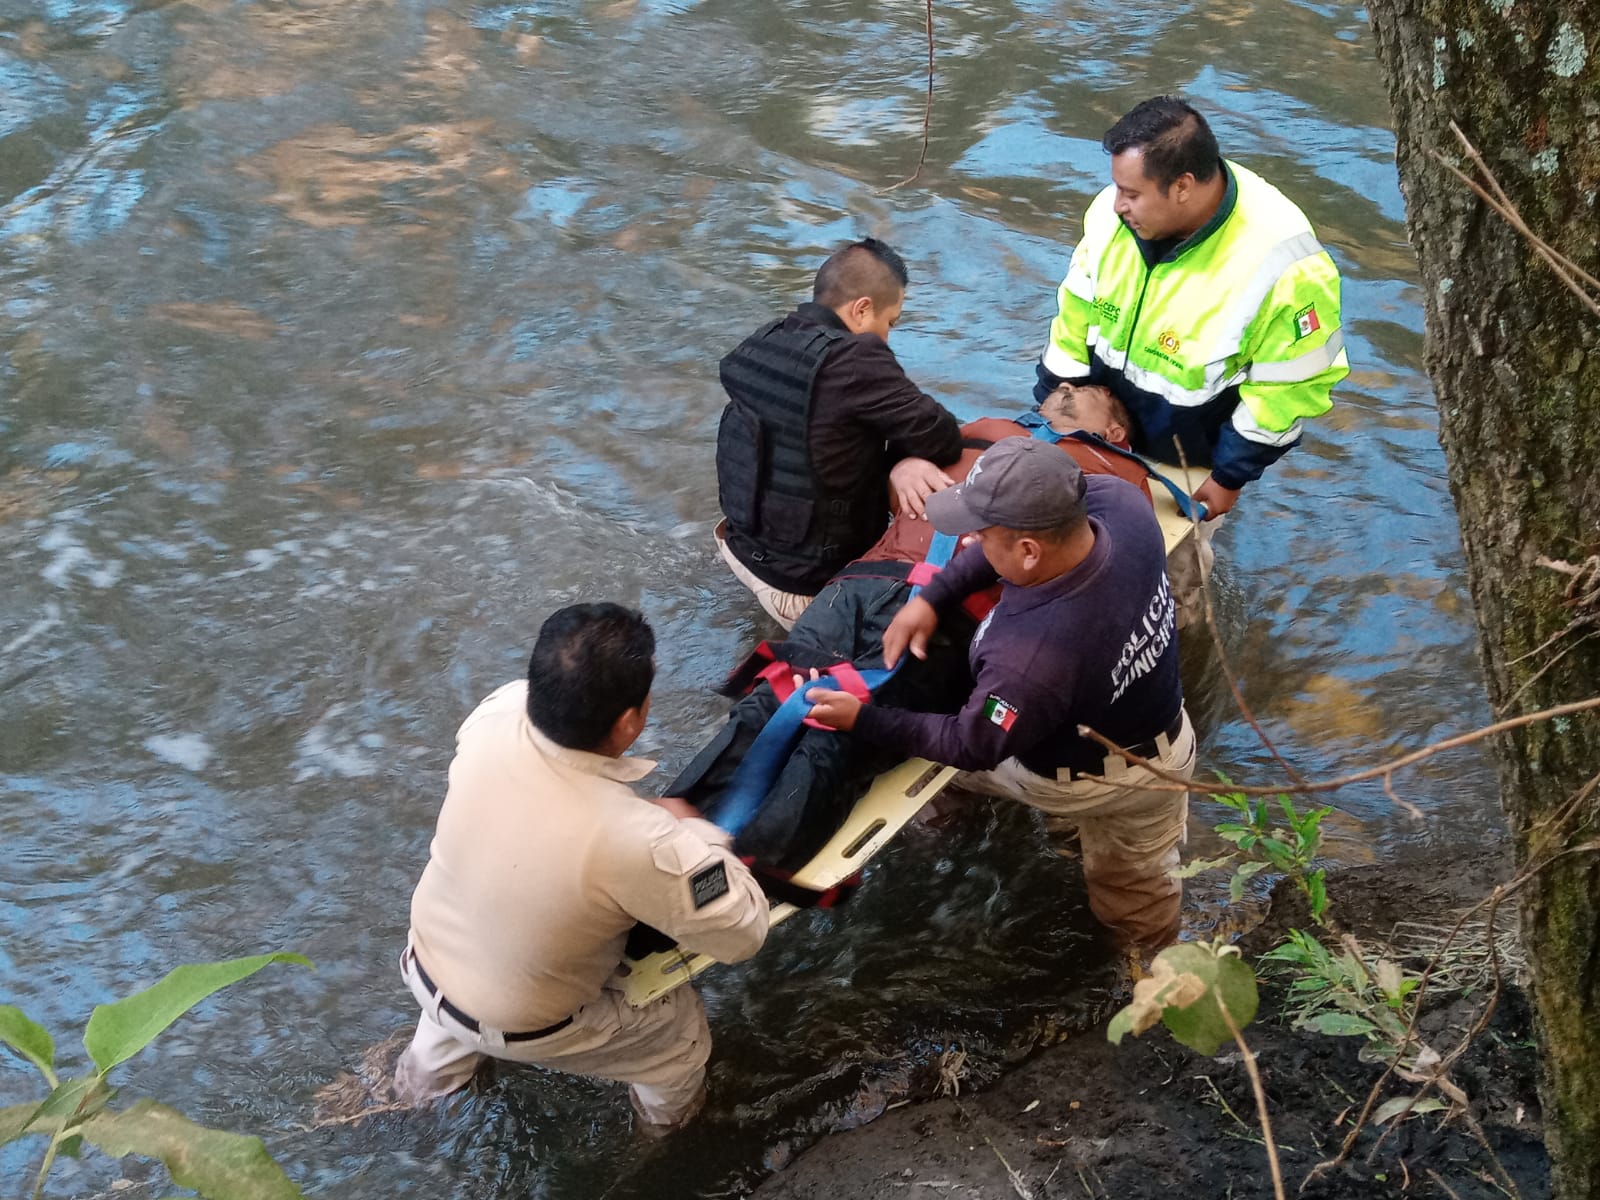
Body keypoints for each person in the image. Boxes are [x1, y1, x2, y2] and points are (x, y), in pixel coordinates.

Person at [672, 385, 1153, 871]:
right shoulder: (988, 434)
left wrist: (865, 719)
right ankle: (663, 831)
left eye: (1090, 392)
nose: (1067, 387)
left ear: (1114, 431)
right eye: (1066, 386)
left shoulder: (1116, 476)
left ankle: (722, 879)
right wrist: (900, 467)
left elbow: (976, 740)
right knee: (778, 687)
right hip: (873, 578)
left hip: (958, 624)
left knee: (834, 733)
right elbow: (899, 470)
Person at [804, 439, 1197, 949]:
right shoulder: (1122, 508)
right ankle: (1145, 946)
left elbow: (972, 745)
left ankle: (950, 830)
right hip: (1166, 742)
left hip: (1081, 781)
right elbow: (1012, 548)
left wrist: (862, 720)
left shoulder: (1031, 660)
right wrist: (934, 596)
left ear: (1029, 552)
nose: (972, 543)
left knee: (940, 763)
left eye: (983, 535)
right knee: (1142, 879)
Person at [394, 604, 768, 1134]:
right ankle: (664, 1140)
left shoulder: (492, 718)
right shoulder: (642, 840)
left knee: (457, 1013)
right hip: (527, 1020)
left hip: (427, 966)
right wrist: (697, 833)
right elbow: (743, 932)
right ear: (628, 721)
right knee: (679, 1036)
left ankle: (413, 1094)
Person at [1034, 95, 1348, 614]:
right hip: (1094, 429)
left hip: (1187, 460)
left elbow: (1291, 385)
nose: (1116, 204)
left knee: (1170, 587)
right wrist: (1050, 413)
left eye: (1131, 192)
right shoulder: (1112, 218)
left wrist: (1229, 477)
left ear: (1182, 186)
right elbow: (1074, 316)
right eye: (1116, 187)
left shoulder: (1285, 264)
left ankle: (1176, 662)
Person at [715, 238, 964, 630]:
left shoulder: (765, 339)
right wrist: (902, 461)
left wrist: (891, 465)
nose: (887, 337)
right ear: (862, 309)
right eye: (890, 323)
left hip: (740, 548)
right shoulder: (855, 358)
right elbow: (942, 435)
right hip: (806, 586)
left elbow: (817, 440)